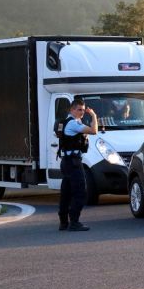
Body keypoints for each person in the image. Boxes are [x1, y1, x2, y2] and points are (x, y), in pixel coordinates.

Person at [57, 98, 98, 231]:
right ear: (72, 109)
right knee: (81, 192)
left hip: (67, 162)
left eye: (83, 110)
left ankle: (63, 222)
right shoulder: (73, 124)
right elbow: (94, 130)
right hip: (73, 162)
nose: (82, 112)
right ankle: (74, 222)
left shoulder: (67, 122)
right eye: (79, 110)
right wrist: (93, 115)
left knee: (66, 192)